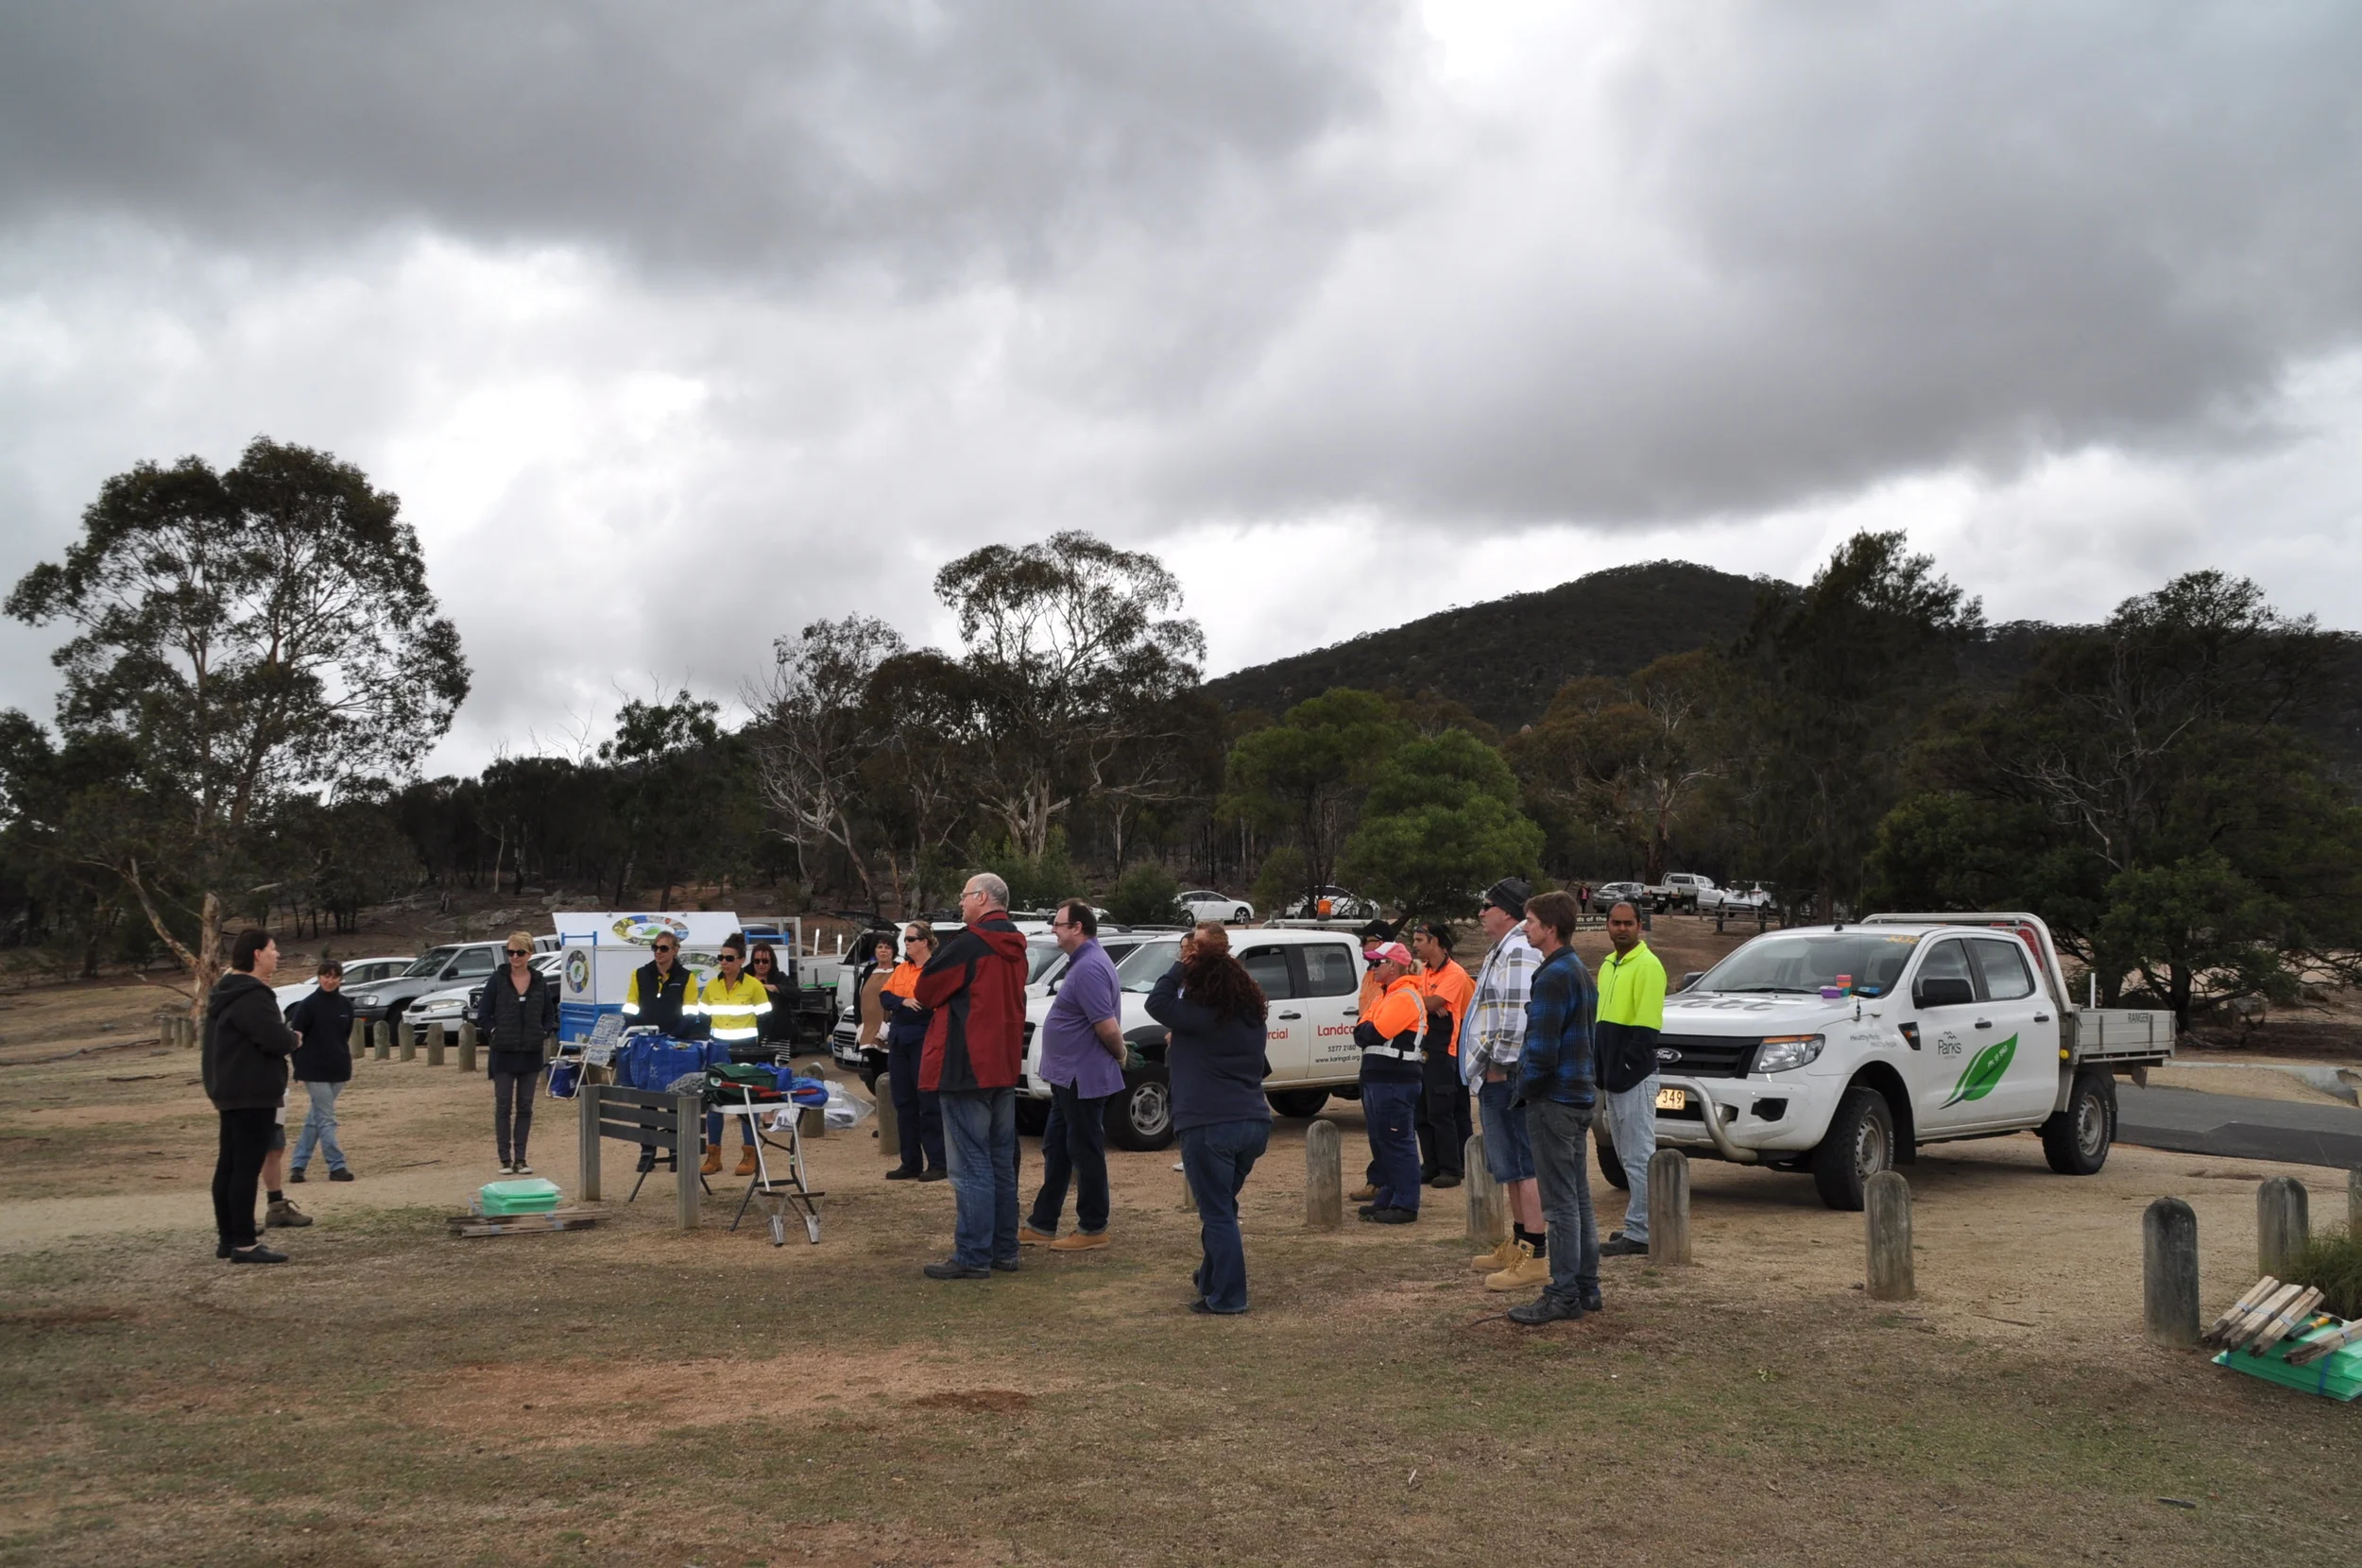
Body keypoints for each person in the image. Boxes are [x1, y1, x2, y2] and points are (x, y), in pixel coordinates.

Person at [1146, 924, 1273, 1313]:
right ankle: (1210, 1279)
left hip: (1209, 1123)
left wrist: (1183, 965)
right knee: (1223, 1206)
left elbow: (1157, 1002)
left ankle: (1229, 1297)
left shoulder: (1200, 1016)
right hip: (1252, 1121)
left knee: (1217, 1212)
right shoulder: (1252, 1019)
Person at [914, 873, 1031, 1280]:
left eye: (964, 896)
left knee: (970, 1166)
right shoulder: (1016, 946)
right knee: (1000, 1162)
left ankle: (973, 1253)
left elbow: (926, 990)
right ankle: (1004, 1249)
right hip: (1002, 1066)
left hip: (965, 1068)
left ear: (981, 898)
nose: (961, 904)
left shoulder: (968, 945)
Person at [1507, 890, 1603, 1327]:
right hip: (1580, 1096)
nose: (1524, 927)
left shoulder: (1551, 976)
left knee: (1560, 1204)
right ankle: (1586, 1286)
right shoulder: (1581, 971)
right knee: (1578, 1199)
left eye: (1529, 921)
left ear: (1550, 927)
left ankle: (1563, 1292)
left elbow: (1542, 1052)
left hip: (1554, 1101)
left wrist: (1524, 1088)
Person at [1022, 899, 1125, 1251]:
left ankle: (1094, 1228)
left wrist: (1122, 1054)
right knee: (1058, 1148)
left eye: (1058, 924)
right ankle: (1042, 1223)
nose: (1053, 929)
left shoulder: (1090, 968)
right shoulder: (1081, 963)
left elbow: (1107, 1026)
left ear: (1077, 928)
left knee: (1085, 1150)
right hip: (1068, 1078)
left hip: (1083, 1077)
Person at [1464, 878, 1548, 1290]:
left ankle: (1536, 1252)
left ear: (1508, 911)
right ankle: (1519, 1241)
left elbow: (1516, 1018)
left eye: (1487, 905)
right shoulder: (1506, 948)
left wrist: (1496, 1064)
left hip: (1506, 1072)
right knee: (1508, 1165)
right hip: (1496, 1071)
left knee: (1522, 1162)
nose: (1481, 913)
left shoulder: (1517, 950)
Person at [201, 929, 300, 1263]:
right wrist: (293, 1039)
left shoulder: (225, 992)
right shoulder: (253, 995)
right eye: (273, 949)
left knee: (228, 1165)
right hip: (251, 1092)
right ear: (257, 954)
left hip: (230, 1090)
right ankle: (244, 1243)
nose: (277, 955)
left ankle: (228, 1238)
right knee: (245, 1167)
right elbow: (273, 1038)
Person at [1595, 899, 1669, 1257]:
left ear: (1640, 926)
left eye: (1628, 923)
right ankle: (1637, 1225)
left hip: (1634, 1078)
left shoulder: (1649, 966)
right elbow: (1601, 1024)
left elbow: (1647, 1028)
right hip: (1613, 1079)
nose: (1621, 928)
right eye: (1615, 922)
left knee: (1639, 1157)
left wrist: (1624, 1068)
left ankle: (1642, 1233)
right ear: (1607, 925)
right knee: (1626, 1156)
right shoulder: (1608, 965)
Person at [1354, 939, 1427, 1224]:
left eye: (1376, 963)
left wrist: (1367, 1029)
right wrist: (1367, 1029)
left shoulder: (1405, 996)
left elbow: (1377, 1030)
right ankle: (1389, 1198)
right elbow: (1362, 1029)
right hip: (1378, 1078)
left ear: (1393, 966)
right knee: (1383, 1142)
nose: (1371, 968)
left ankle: (1406, 1204)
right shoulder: (1384, 995)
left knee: (1398, 1142)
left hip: (1395, 1079)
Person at [476, 929, 557, 1173]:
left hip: (530, 1052)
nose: (514, 957)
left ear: (529, 954)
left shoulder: (539, 981)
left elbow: (549, 1014)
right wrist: (493, 1032)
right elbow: (483, 1013)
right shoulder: (497, 980)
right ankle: (504, 1158)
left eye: (519, 952)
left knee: (525, 1106)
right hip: (504, 1052)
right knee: (503, 1106)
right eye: (510, 952)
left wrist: (542, 1032)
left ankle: (521, 1158)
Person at [621, 930, 701, 1171]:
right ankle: (647, 1153)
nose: (658, 952)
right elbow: (630, 1007)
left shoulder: (687, 977)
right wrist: (639, 1030)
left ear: (675, 950)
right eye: (655, 947)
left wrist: (672, 1036)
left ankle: (675, 1151)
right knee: (647, 1101)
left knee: (674, 1099)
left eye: (664, 948)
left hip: (675, 1045)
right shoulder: (640, 974)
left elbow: (691, 1012)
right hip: (645, 1044)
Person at [696, 934, 771, 1176]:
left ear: (740, 960)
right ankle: (713, 1155)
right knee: (715, 1099)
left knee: (748, 1101)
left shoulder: (753, 986)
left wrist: (759, 1051)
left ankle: (750, 1155)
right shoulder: (712, 986)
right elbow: (703, 1017)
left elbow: (766, 1018)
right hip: (718, 1048)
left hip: (745, 1048)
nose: (723, 962)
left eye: (729, 958)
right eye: (721, 957)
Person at [880, 924, 948, 1182]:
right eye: (904, 939)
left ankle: (938, 1162)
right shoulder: (902, 968)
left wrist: (904, 1004)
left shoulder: (934, 969)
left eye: (910, 939)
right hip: (899, 1038)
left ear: (925, 942)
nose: (905, 943)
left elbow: (929, 1005)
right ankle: (910, 1162)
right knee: (903, 1102)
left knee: (928, 1102)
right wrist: (903, 1001)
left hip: (923, 1037)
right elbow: (885, 996)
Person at [1412, 921, 1474, 1189]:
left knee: (1441, 1111)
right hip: (1422, 1047)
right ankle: (1432, 1164)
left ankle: (1452, 1167)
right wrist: (1423, 1001)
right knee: (1422, 1112)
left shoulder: (1455, 974)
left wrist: (1421, 1001)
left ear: (1435, 941)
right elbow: (1415, 995)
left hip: (1444, 1051)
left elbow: (1430, 1002)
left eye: (1419, 940)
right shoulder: (1422, 971)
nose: (1414, 945)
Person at [286, 959, 355, 1184]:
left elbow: (344, 1036)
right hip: (313, 1070)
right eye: (326, 976)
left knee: (315, 1118)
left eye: (335, 977)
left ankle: (298, 1165)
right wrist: (299, 1067)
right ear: (318, 976)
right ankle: (337, 1166)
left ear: (340, 979)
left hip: (338, 1068)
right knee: (326, 1118)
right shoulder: (306, 1005)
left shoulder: (345, 1005)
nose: (330, 981)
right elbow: (295, 1039)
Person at [748, 940, 798, 1056]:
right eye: (757, 961)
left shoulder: (780, 978)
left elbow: (796, 993)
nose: (761, 964)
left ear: (772, 962)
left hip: (776, 1034)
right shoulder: (744, 979)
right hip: (752, 1032)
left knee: (775, 1067)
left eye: (765, 961)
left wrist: (776, 988)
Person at [855, 932, 896, 1058]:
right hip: (868, 1032)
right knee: (874, 1072)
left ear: (894, 951)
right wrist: (859, 1025)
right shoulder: (867, 972)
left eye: (888, 947)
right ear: (874, 950)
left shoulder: (899, 970)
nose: (883, 951)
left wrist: (890, 1025)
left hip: (889, 1031)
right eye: (880, 947)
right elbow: (857, 1000)